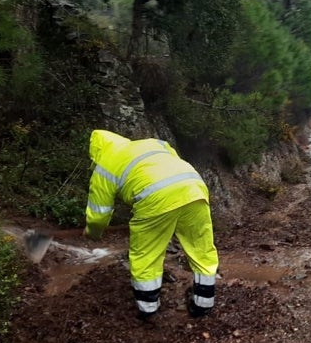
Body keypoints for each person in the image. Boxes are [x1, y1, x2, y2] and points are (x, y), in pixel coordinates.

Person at [84, 129, 219, 319]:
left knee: (146, 255)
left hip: (155, 199)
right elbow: (171, 163)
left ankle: (148, 310)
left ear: (96, 152)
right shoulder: (153, 143)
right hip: (194, 187)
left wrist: (93, 233)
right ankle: (203, 305)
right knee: (201, 248)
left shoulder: (105, 165)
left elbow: (99, 214)